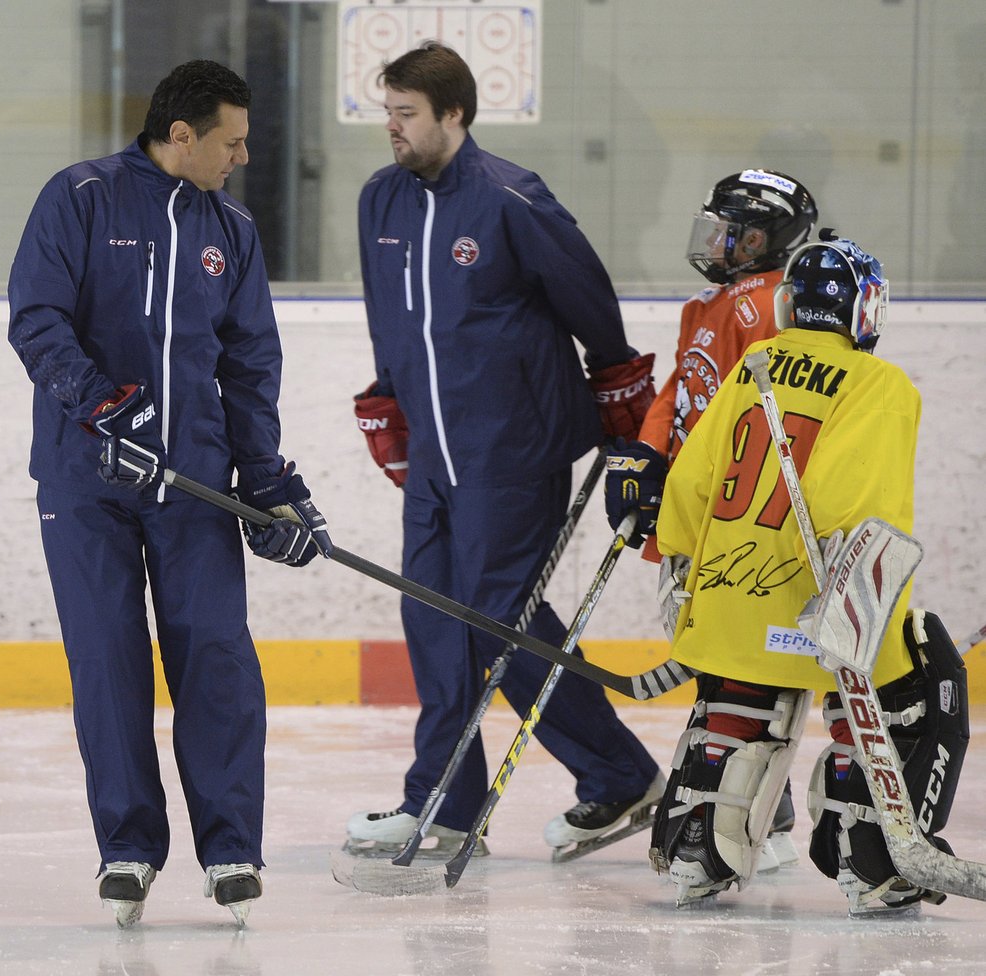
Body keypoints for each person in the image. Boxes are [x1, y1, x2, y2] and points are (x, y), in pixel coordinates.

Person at [7, 60, 326, 928]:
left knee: (216, 658)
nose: (243, 157)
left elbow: (250, 361)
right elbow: (35, 316)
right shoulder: (79, 197)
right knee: (107, 663)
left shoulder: (234, 229)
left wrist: (265, 481)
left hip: (194, 488)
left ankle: (230, 847)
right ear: (181, 136)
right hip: (84, 483)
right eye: (232, 141)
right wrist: (102, 404)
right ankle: (129, 845)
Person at [346, 41, 664, 861]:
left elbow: (588, 298)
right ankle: (447, 804)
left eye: (406, 114)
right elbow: (393, 319)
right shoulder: (379, 202)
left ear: (453, 114)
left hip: (513, 450)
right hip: (435, 459)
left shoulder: (511, 199)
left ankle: (618, 774)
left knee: (498, 619)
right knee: (433, 618)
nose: (393, 128)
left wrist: (622, 393)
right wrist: (388, 400)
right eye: (388, 112)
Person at [645, 235, 969, 914]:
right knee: (926, 674)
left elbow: (690, 482)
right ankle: (873, 857)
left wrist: (682, 572)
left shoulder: (754, 366)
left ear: (792, 305)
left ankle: (700, 845)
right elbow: (857, 511)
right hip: (818, 610)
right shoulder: (880, 384)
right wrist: (850, 617)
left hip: (733, 605)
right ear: (864, 311)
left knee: (739, 688)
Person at [604, 169, 817, 871]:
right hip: (695, 508)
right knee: (709, 649)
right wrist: (643, 454)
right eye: (717, 229)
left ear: (771, 242)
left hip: (729, 519)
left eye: (738, 234)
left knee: (737, 659)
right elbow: (678, 387)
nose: (720, 244)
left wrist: (690, 485)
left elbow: (753, 425)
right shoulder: (710, 303)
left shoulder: (767, 309)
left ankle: (762, 804)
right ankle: (754, 799)